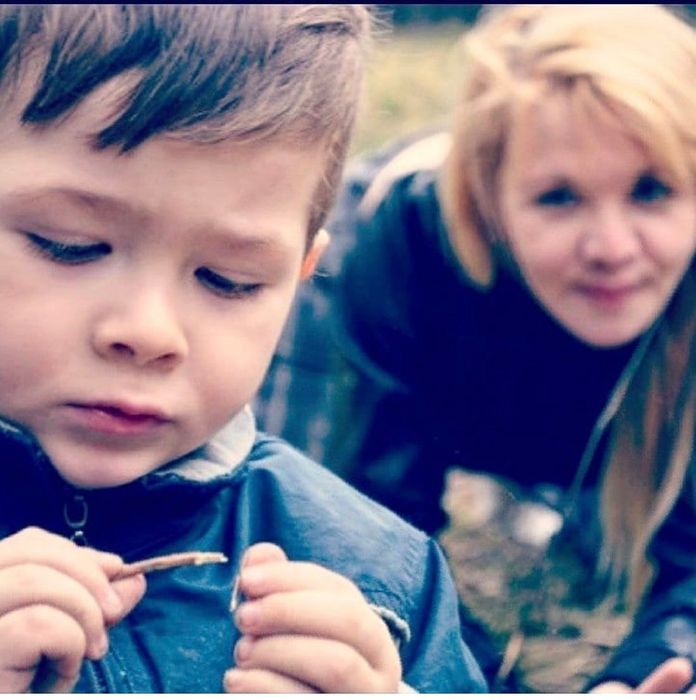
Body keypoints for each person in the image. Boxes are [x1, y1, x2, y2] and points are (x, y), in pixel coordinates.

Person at [0, 4, 488, 694]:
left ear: (296, 279)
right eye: (69, 246)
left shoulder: (375, 575)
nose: (148, 333)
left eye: (228, 281)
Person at [255, 3, 696, 692]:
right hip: (446, 376)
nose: (612, 248)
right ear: (488, 199)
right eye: (559, 198)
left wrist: (640, 676)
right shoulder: (388, 251)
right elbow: (356, 537)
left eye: (651, 191)